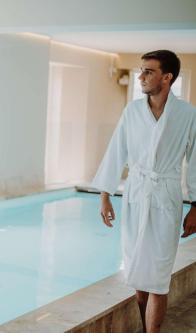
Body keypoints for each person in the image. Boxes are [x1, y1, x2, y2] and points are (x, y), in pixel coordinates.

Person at [92, 50, 196, 333]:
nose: (141, 76)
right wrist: (105, 194)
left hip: (166, 198)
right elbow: (117, 151)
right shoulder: (133, 111)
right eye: (142, 70)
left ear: (167, 77)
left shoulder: (187, 114)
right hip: (136, 197)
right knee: (139, 281)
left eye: (148, 72)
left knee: (158, 280)